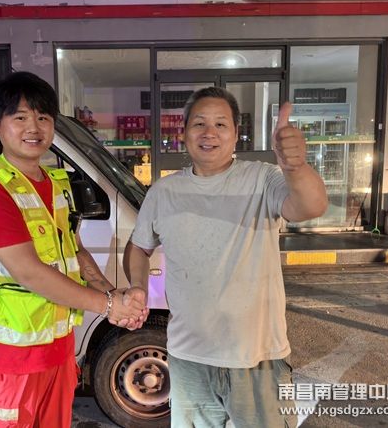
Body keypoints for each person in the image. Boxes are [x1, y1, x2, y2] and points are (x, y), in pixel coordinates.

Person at [124, 87, 328, 428]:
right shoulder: (163, 192)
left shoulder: (262, 178)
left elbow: (311, 206)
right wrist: (138, 287)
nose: (209, 133)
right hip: (188, 357)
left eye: (221, 124)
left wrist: (295, 166)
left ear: (236, 134)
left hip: (257, 357)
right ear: (184, 132)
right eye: (199, 124)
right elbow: (139, 247)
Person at [0, 71, 147, 427]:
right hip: (10, 355)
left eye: (43, 118)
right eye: (20, 118)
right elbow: (29, 272)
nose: (34, 128)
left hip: (58, 346)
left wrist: (112, 295)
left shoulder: (56, 184)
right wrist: (109, 306)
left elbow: (75, 252)